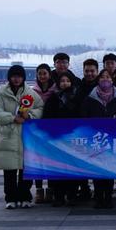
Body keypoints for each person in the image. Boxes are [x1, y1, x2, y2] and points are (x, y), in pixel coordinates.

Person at [0, 65, 43, 210]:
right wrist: (12, 118)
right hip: (8, 137)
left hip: (26, 136)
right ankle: (10, 198)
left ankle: (25, 197)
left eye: (19, 76)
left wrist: (30, 116)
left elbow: (40, 108)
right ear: (9, 77)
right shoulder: (2, 94)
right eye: (14, 76)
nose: (16, 79)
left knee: (26, 170)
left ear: (23, 78)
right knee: (9, 171)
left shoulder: (30, 93)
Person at [80, 69, 116, 209]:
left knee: (110, 168)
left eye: (108, 77)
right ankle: (99, 198)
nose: (105, 79)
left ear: (112, 80)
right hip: (96, 139)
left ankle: (108, 197)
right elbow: (84, 117)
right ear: (98, 80)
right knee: (97, 169)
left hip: (113, 139)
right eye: (102, 77)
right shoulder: (90, 98)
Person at [42, 71, 80, 207]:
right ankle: (58, 196)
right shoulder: (53, 98)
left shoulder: (78, 98)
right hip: (57, 140)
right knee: (58, 168)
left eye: (67, 81)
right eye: (62, 81)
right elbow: (46, 118)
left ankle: (72, 195)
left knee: (72, 168)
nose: (65, 83)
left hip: (73, 140)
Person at [31, 63, 58, 204]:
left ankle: (51, 190)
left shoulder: (56, 90)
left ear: (49, 74)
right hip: (36, 131)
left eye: (45, 73)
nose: (42, 76)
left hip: (52, 131)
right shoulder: (32, 92)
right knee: (38, 160)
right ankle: (40, 190)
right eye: (40, 73)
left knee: (52, 160)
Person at [75, 58, 100, 201]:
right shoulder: (78, 86)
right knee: (81, 161)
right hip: (82, 131)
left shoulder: (103, 86)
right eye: (87, 71)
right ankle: (84, 188)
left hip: (99, 132)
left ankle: (99, 191)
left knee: (99, 161)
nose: (89, 73)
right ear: (83, 71)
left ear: (97, 72)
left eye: (92, 71)